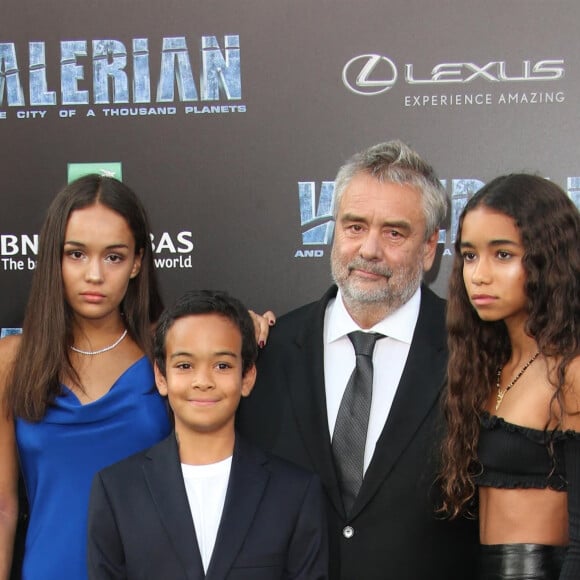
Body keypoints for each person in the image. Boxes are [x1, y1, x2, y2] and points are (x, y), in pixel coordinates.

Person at [0, 175, 275, 580]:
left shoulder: (166, 351)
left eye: (113, 256)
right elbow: (3, 506)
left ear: (137, 263)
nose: (94, 274)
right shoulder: (12, 360)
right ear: (54, 259)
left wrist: (240, 327)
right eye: (76, 254)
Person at [237, 140, 478, 579]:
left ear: (429, 249)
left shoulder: (476, 352)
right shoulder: (266, 353)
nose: (369, 249)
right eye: (354, 226)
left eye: (394, 232)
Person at [87, 289, 328, 580]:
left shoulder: (294, 493)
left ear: (247, 377)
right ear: (161, 377)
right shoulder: (117, 490)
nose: (203, 381)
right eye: (185, 365)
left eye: (222, 365)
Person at [439, 174, 580, 579]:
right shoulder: (483, 366)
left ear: (547, 260)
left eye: (502, 255)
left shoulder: (569, 373)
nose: (479, 275)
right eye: (469, 255)